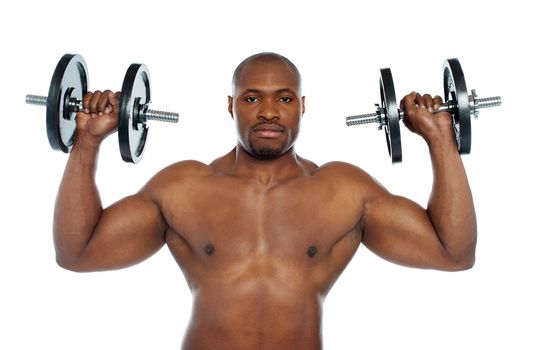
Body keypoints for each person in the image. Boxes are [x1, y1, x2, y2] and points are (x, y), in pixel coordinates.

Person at [53, 52, 476, 350]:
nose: (269, 111)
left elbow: (453, 252)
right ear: (231, 106)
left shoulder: (343, 190)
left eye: (284, 98)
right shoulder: (184, 186)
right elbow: (78, 252)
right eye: (252, 98)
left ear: (302, 106)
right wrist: (87, 141)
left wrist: (441, 139)